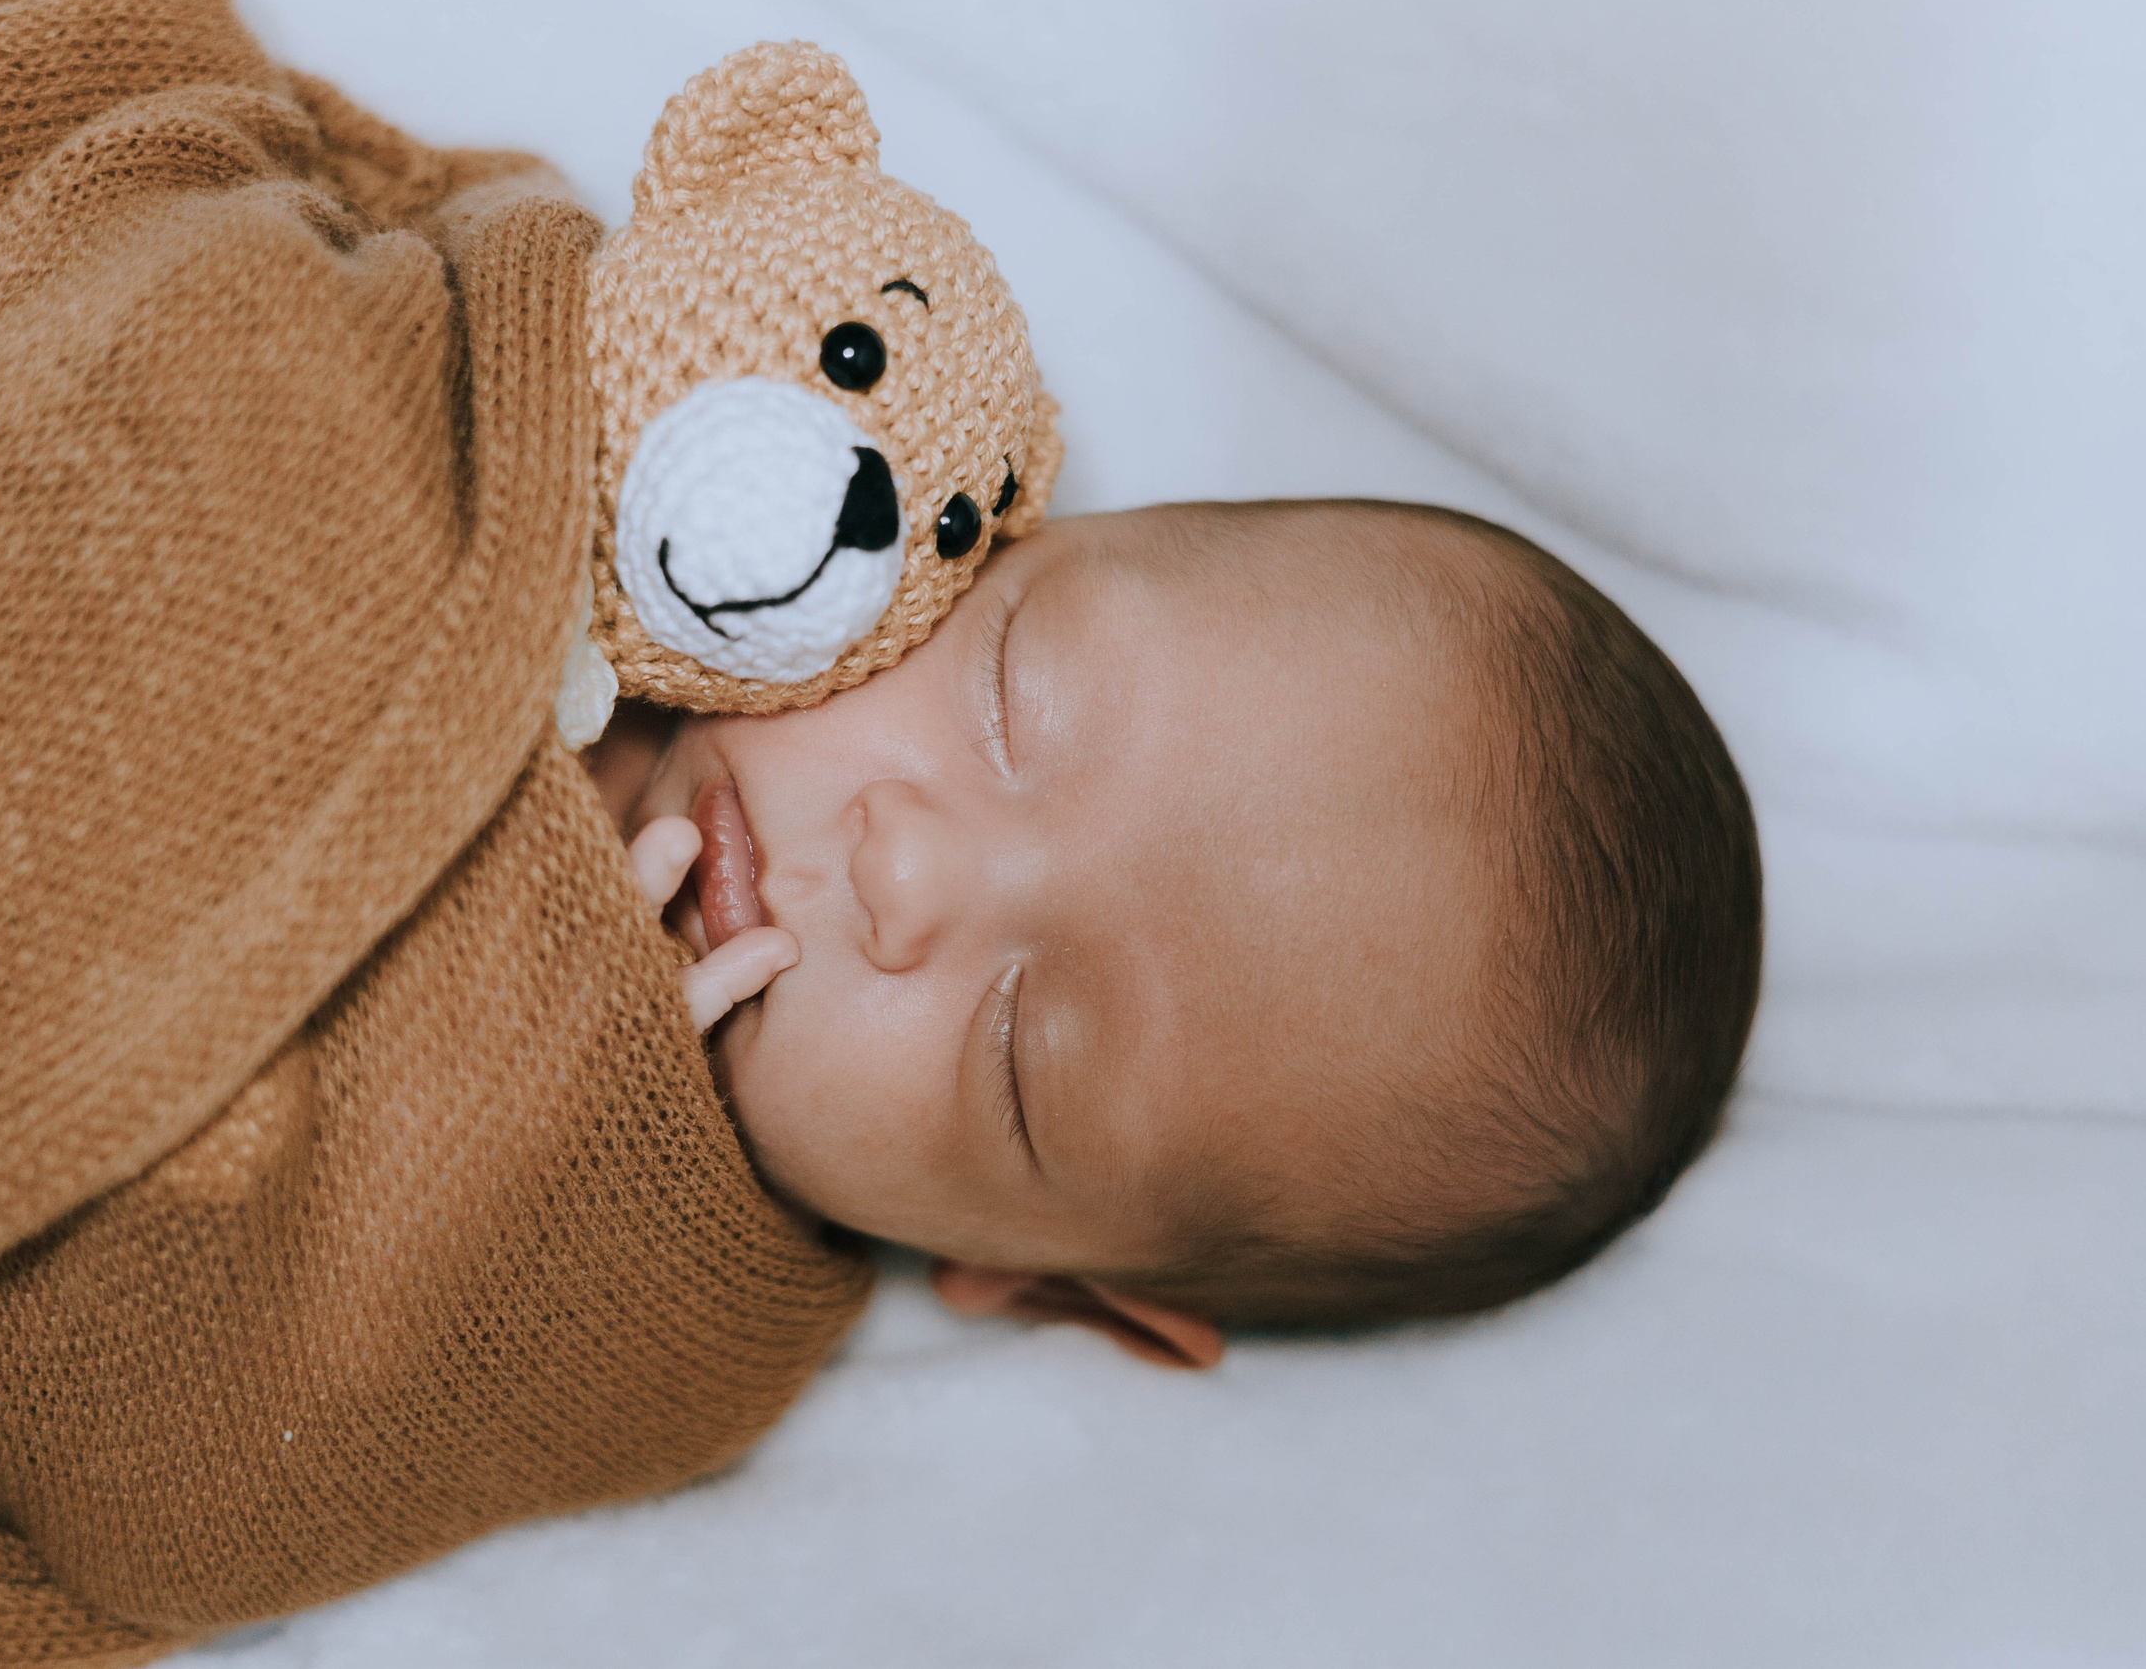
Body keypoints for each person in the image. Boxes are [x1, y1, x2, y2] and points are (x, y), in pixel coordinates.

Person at [591, 498, 1763, 1367]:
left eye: (1017, 1054)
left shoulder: (641, 1329)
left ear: (1040, 1280)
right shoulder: (646, 459)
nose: (899, 868)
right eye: (1010, 695)